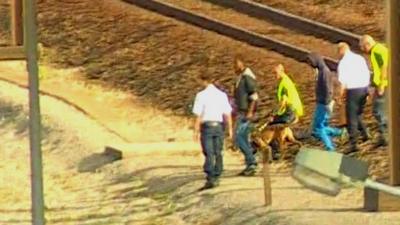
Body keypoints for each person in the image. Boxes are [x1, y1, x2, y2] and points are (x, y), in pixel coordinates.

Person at [192, 72, 233, 190]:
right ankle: (217, 173)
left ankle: (210, 176)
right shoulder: (222, 95)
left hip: (207, 126)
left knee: (208, 152)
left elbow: (198, 115)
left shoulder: (201, 95)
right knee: (218, 151)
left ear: (203, 81)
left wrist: (195, 130)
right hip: (219, 126)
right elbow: (227, 113)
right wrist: (230, 128)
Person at [307, 52, 346, 151]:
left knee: (318, 128)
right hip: (322, 102)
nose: (310, 64)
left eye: (311, 62)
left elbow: (328, 89)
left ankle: (330, 147)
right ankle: (339, 132)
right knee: (322, 126)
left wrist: (327, 103)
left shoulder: (324, 72)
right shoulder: (321, 71)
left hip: (324, 103)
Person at [337, 42, 371, 154]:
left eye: (338, 52)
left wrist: (340, 96)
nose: (338, 55)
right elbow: (367, 73)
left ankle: (354, 143)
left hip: (353, 90)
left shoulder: (343, 63)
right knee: (358, 113)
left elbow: (343, 83)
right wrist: (367, 90)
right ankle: (365, 133)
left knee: (351, 117)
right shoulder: (359, 58)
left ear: (341, 50)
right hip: (364, 88)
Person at [360, 35, 389, 147]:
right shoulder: (380, 49)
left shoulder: (377, 51)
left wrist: (381, 84)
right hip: (383, 84)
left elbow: (384, 67)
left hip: (384, 85)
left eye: (363, 47)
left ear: (367, 44)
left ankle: (386, 136)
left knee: (378, 110)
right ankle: (384, 135)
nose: (363, 50)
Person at [233, 58, 259, 176]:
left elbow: (254, 96)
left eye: (235, 64)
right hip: (241, 112)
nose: (234, 67)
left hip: (245, 113)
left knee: (239, 137)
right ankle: (250, 163)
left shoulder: (247, 78)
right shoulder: (241, 77)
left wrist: (250, 112)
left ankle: (252, 162)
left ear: (242, 64)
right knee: (243, 137)